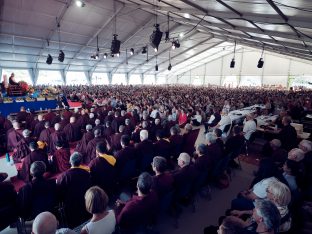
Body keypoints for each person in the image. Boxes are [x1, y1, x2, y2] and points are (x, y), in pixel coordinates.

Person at [56, 152, 92, 228]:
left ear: (70, 162)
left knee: (74, 225)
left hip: (70, 205)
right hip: (86, 202)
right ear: (81, 162)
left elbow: (59, 194)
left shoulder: (63, 176)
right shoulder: (86, 173)